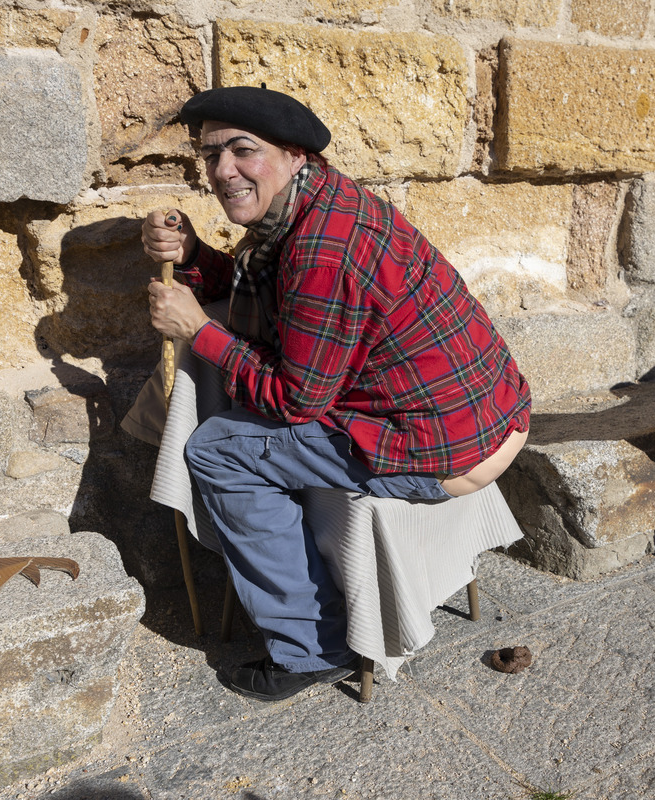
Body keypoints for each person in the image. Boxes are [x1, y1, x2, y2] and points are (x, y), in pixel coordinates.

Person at [140, 86, 531, 701]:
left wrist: (199, 331)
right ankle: (299, 579)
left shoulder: (325, 247)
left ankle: (311, 650)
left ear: (294, 154)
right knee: (243, 421)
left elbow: (294, 400)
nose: (222, 171)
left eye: (243, 150)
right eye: (211, 155)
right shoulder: (319, 201)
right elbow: (276, 301)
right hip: (490, 410)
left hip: (444, 447)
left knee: (216, 448)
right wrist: (193, 256)